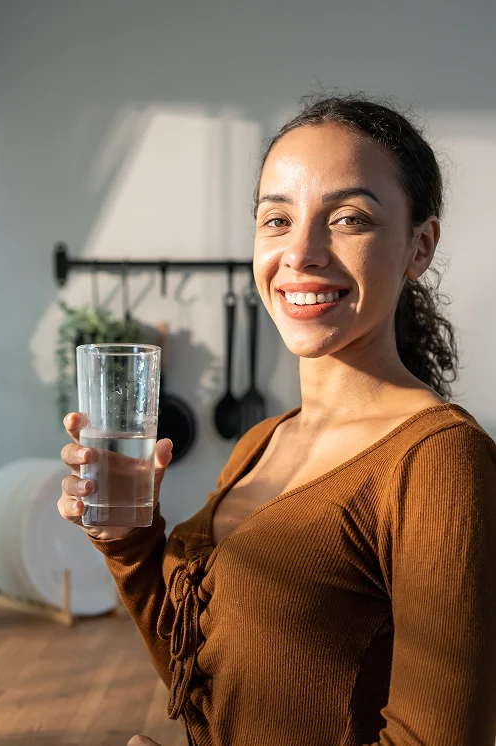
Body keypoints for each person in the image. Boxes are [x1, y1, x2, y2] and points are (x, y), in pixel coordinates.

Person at [58, 94, 496, 746]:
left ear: (419, 246)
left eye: (349, 218)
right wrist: (131, 540)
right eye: (276, 219)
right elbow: (207, 678)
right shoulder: (264, 442)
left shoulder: (438, 462)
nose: (302, 251)